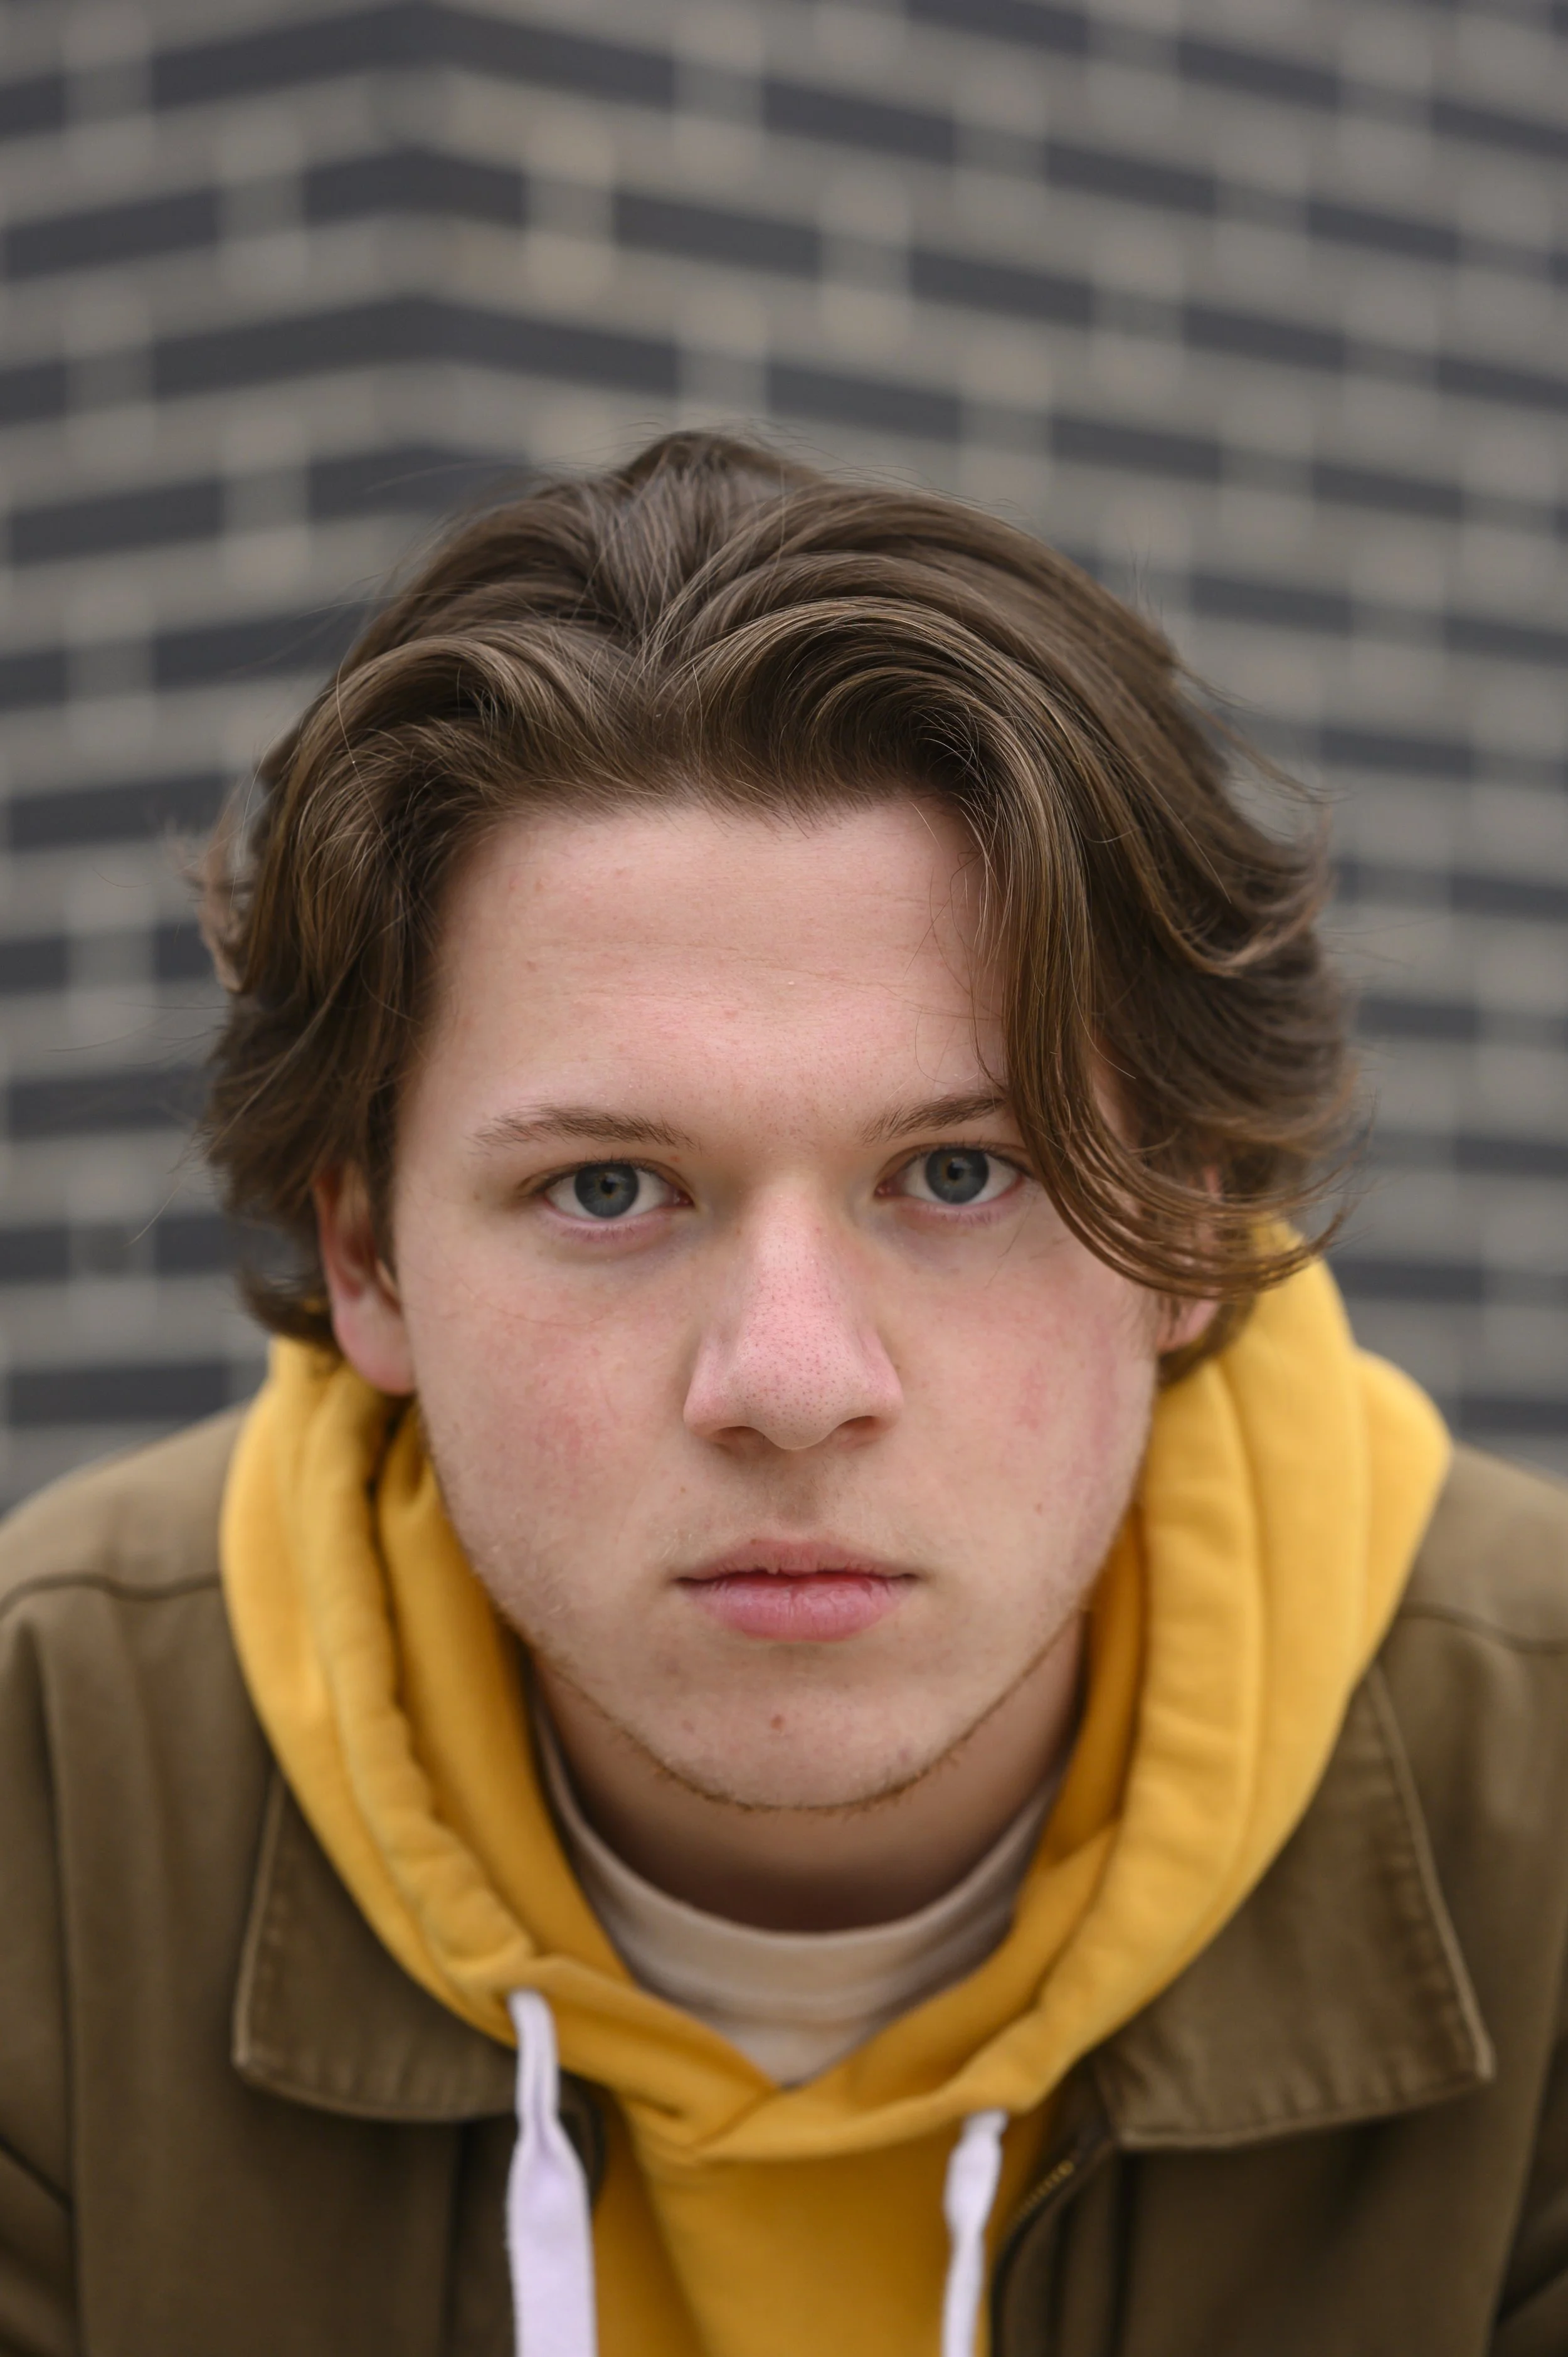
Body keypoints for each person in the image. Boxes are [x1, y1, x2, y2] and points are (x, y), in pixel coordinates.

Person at [2, 432, 1565, 2357]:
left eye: (960, 1171)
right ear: (366, 1258)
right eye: (607, 1188)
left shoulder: (1541, 1797)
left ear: (1185, 1222)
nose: (794, 1383)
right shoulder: (48, 1787)